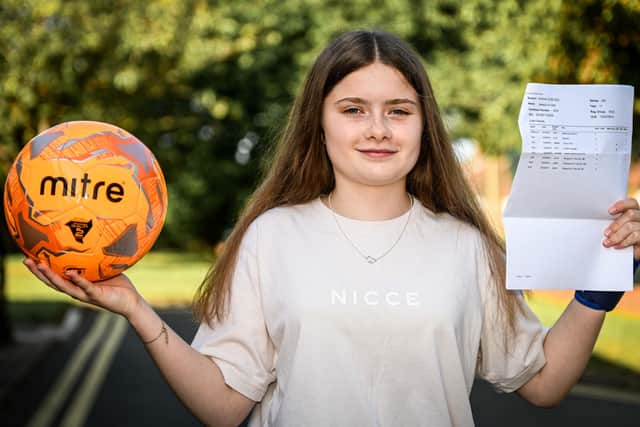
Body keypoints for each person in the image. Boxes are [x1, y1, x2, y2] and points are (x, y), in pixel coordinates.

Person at [24, 29, 639, 427]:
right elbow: (223, 405)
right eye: (353, 110)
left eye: (398, 111)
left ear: (423, 128)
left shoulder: (468, 247)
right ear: (319, 125)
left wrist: (600, 283)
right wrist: (135, 309)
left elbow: (544, 383)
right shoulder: (271, 236)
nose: (377, 128)